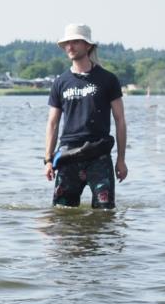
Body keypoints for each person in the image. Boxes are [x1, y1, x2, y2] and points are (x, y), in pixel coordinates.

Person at [44, 23, 127, 209]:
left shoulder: (108, 79)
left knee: (105, 213)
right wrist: (48, 160)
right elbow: (52, 123)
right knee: (62, 212)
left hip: (99, 154)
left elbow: (120, 120)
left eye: (75, 42)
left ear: (88, 46)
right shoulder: (60, 82)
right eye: (67, 43)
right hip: (68, 155)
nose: (70, 47)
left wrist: (121, 159)